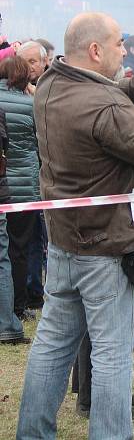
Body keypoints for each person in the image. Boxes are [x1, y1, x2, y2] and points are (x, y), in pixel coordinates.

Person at [16, 12, 134, 440]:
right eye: (118, 43)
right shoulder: (102, 104)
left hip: (65, 241)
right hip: (108, 248)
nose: (123, 49)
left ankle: (33, 432)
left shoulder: (52, 84)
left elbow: (113, 96)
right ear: (96, 50)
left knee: (51, 347)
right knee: (114, 353)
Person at [0, 56, 40, 322]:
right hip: (24, 184)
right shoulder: (31, 105)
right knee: (19, 249)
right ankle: (17, 307)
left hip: (3, 182)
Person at [0, 60, 29, 346]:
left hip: (8, 185)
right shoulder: (30, 105)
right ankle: (12, 316)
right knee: (11, 253)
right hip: (21, 190)